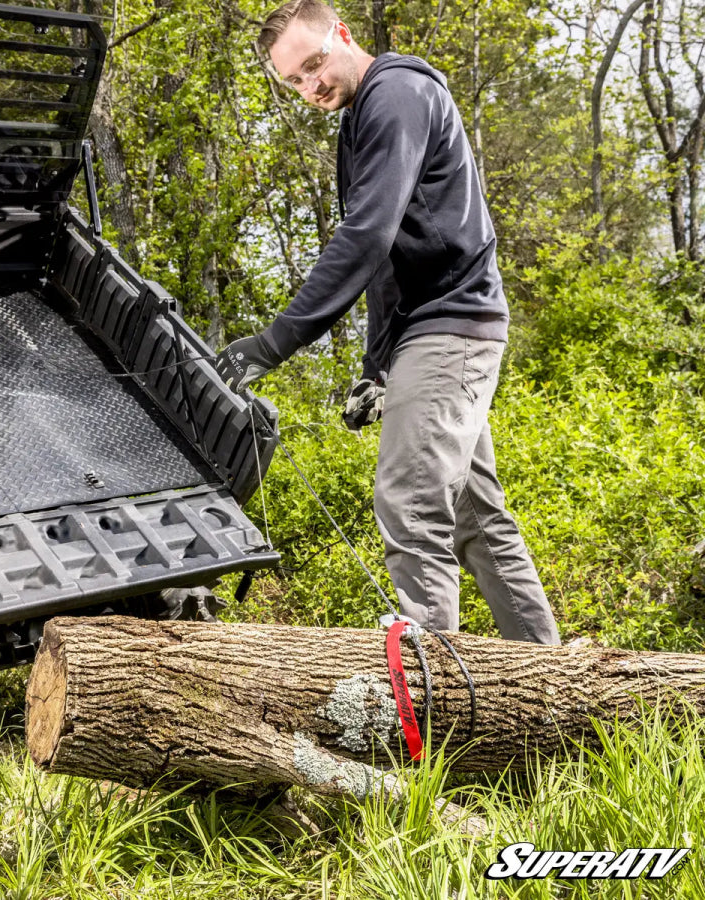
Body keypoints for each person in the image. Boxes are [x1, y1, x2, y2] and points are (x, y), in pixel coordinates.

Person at [214, 0, 560, 644]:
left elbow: (365, 237)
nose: (311, 86)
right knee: (475, 517)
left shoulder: (395, 94)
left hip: (452, 324)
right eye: (293, 80)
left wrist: (276, 340)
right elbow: (388, 264)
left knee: (410, 501)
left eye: (315, 64)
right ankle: (551, 687)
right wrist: (375, 369)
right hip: (432, 330)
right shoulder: (360, 122)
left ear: (341, 33)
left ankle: (425, 712)